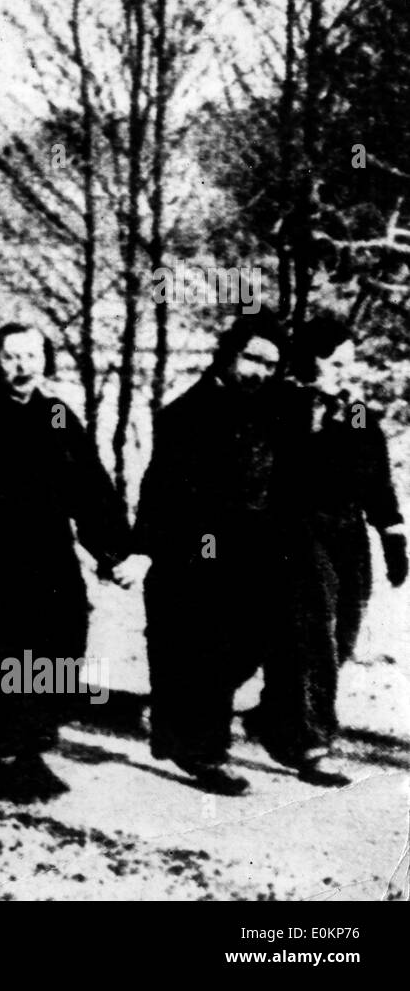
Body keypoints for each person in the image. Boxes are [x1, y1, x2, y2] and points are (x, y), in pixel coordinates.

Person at [132, 312, 332, 792]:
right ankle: (197, 750)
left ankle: (288, 735)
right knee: (208, 646)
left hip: (266, 545)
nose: (260, 372)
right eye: (252, 358)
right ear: (226, 353)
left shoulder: (276, 404)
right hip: (202, 545)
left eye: (271, 364)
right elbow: (160, 491)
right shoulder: (186, 415)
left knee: (292, 637)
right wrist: (144, 550)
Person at [0, 323, 133, 802]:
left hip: (49, 558)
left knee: (58, 649)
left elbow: (90, 486)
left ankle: (32, 750)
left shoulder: (59, 416)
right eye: (11, 357)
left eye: (32, 355)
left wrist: (112, 550)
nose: (23, 367)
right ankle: (0, 758)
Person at [239, 316, 407, 785]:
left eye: (349, 363)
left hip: (348, 536)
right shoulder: (278, 404)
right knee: (314, 640)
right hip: (297, 532)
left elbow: (376, 475)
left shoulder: (355, 412)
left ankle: (273, 714)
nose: (344, 372)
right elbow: (266, 469)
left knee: (345, 634)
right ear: (308, 362)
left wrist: (392, 531)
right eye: (334, 363)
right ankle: (308, 744)